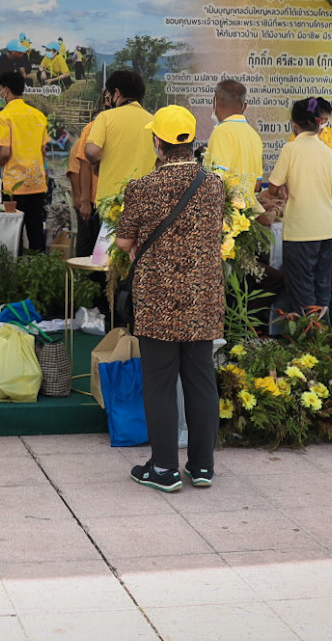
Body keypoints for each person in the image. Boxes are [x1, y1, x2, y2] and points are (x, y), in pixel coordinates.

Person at [114, 105, 226, 491]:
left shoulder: (143, 187)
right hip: (203, 297)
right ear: (191, 142)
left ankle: (163, 469)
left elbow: (124, 241)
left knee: (160, 381)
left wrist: (137, 247)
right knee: (201, 379)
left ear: (157, 143)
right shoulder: (214, 185)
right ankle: (202, 467)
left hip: (158, 297)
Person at [267, 99, 332, 323]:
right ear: (318, 123)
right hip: (326, 230)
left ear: (293, 123)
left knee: (302, 288)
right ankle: (322, 334)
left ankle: (310, 335)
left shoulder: (290, 149)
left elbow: (273, 186)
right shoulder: (326, 151)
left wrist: (282, 187)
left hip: (300, 231)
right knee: (322, 284)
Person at [0, 71, 49, 253]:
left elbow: (5, 152)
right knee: (35, 231)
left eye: (0, 89)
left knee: (13, 233)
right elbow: (43, 150)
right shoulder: (38, 115)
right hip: (37, 182)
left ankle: (15, 269)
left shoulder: (3, 116)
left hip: (14, 186)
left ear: (5, 90)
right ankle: (38, 268)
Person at [84, 70, 156, 207]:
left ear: (117, 93)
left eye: (110, 95)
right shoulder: (153, 121)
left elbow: (91, 151)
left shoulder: (105, 117)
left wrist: (95, 163)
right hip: (143, 202)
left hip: (111, 203)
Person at [68, 90, 110, 259]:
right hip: (91, 201)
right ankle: (85, 275)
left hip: (109, 200)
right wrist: (82, 200)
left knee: (104, 251)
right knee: (88, 247)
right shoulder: (85, 137)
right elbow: (75, 171)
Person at [203, 79, 263, 195]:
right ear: (244, 106)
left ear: (215, 102)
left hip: (227, 206)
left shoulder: (221, 132)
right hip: (248, 206)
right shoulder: (254, 136)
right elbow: (257, 185)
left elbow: (217, 181)